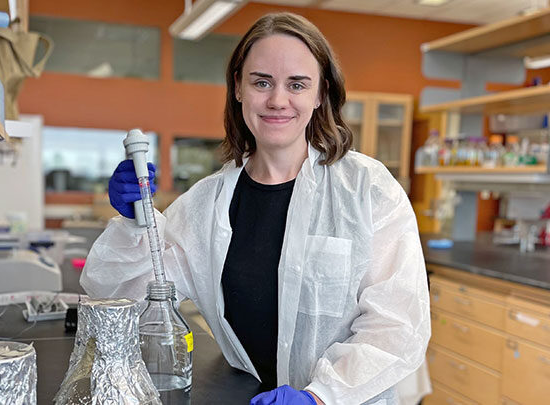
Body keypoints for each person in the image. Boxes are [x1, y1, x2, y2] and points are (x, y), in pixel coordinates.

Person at [81, 12, 430, 405]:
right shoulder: (206, 205)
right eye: (261, 82)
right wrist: (133, 223)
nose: (278, 100)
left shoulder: (368, 190)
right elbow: (126, 298)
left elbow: (396, 325)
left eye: (297, 84)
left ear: (320, 94)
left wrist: (319, 397)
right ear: (238, 88)